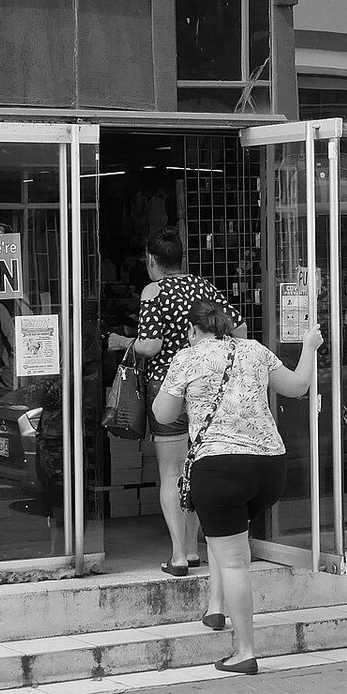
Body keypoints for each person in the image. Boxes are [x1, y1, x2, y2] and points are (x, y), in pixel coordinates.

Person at [153, 299, 320, 675]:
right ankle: (215, 607)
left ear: (193, 330)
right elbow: (298, 386)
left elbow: (163, 414)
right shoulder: (254, 349)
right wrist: (309, 346)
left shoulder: (187, 357)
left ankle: (245, 651)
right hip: (269, 467)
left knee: (233, 560)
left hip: (219, 469)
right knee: (226, 536)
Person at [118, 227, 248, 576]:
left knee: (171, 472)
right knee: (197, 468)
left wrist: (121, 342)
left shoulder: (154, 291)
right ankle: (192, 550)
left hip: (168, 387)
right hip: (204, 387)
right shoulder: (203, 287)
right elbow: (240, 329)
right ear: (181, 258)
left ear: (151, 260)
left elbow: (150, 345)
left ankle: (177, 556)